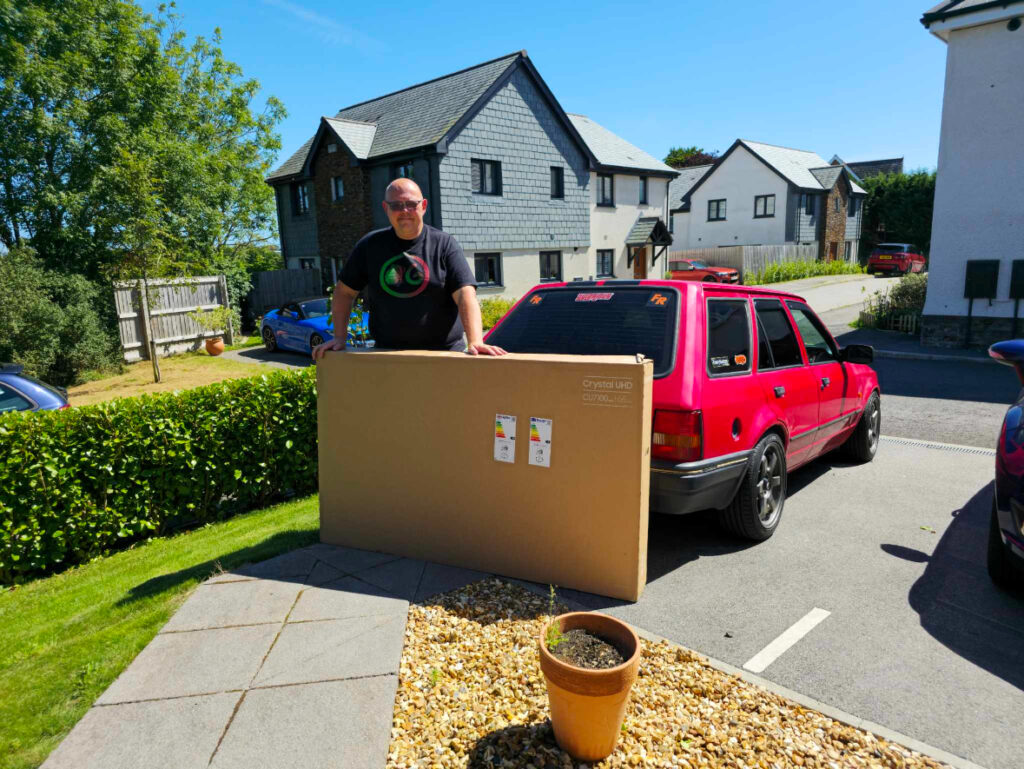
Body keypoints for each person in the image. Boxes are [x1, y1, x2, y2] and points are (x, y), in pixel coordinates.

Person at [312, 178, 507, 359]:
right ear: (386, 208)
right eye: (396, 205)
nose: (404, 210)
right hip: (388, 356)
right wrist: (339, 337)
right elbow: (344, 292)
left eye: (411, 204)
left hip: (443, 355)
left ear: (423, 206)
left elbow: (465, 294)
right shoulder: (370, 246)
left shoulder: (444, 245)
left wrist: (475, 341)